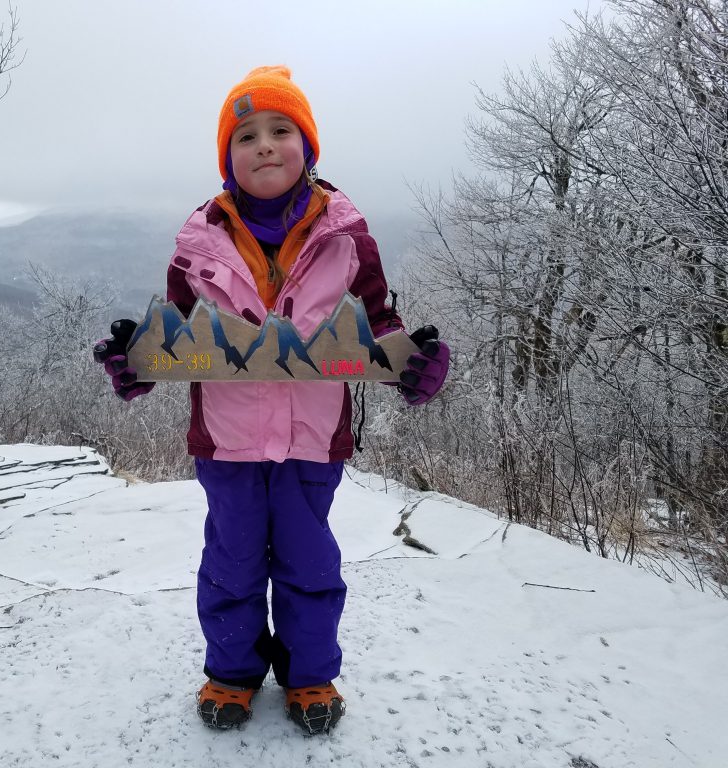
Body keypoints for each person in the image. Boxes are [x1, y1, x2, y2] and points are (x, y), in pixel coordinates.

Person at [93, 66, 450, 735]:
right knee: (230, 560)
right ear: (228, 158)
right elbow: (177, 333)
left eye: (280, 130)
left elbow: (377, 321)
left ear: (307, 148)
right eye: (246, 134)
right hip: (226, 442)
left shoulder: (346, 237)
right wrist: (137, 363)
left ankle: (310, 674)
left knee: (308, 560)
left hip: (314, 439)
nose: (264, 145)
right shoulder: (198, 244)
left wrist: (413, 365)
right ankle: (231, 673)